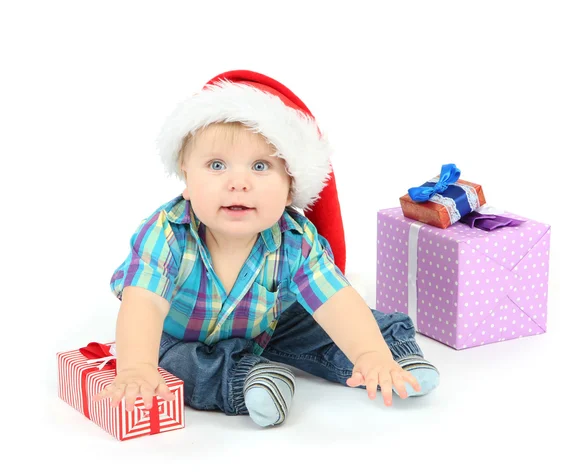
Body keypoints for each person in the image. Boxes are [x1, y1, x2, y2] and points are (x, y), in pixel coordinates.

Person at [93, 70, 440, 427]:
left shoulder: (294, 238)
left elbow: (336, 300)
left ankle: (391, 359)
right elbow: (145, 302)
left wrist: (370, 351)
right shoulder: (166, 233)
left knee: (343, 323)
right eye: (216, 165)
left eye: (261, 166)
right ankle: (252, 380)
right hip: (179, 333)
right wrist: (136, 367)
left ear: (290, 188)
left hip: (269, 324)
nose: (238, 183)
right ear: (186, 180)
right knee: (177, 362)